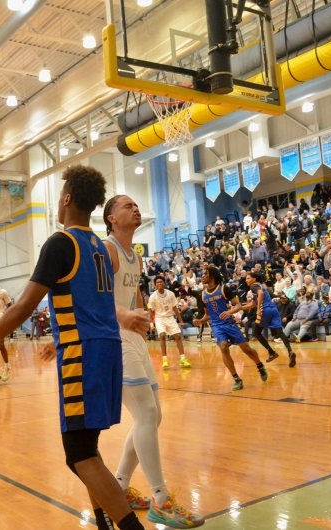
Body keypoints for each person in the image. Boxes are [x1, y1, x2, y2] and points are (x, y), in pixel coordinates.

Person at [0, 166, 144, 530]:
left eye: (60, 196)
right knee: (87, 447)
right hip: (104, 350)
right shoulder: (101, 249)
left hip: (83, 355)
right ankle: (103, 522)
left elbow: (23, 306)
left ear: (67, 199)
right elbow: (94, 306)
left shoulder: (61, 242)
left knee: (79, 455)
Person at [102, 194, 202, 528]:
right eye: (126, 205)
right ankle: (161, 499)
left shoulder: (136, 256)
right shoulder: (108, 248)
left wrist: (141, 316)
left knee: (153, 416)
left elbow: (133, 295)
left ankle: (119, 487)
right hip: (114, 336)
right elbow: (94, 298)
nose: (134, 208)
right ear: (112, 218)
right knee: (145, 413)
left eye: (135, 204)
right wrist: (124, 317)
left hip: (133, 335)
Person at [194, 266, 268, 390]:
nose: (202, 276)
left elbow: (238, 306)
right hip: (217, 326)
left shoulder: (224, 288)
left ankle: (260, 366)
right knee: (223, 347)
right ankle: (236, 379)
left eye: (205, 274)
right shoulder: (202, 295)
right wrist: (200, 320)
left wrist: (230, 312)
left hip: (230, 323)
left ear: (211, 275)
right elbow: (208, 315)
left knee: (246, 349)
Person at [243, 272, 296, 366]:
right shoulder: (261, 285)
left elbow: (260, 294)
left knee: (256, 332)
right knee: (280, 332)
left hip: (265, 310)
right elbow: (252, 304)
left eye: (248, 278)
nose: (246, 280)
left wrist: (259, 309)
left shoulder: (253, 286)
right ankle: (290, 352)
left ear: (254, 279)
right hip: (274, 310)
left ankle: (271, 352)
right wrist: (240, 308)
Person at [147, 277, 191, 370]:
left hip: (170, 317)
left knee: (178, 336)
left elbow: (175, 309)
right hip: (159, 318)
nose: (159, 283)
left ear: (164, 283)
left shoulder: (170, 294)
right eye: (158, 282)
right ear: (155, 285)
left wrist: (181, 321)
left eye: (161, 282)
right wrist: (151, 324)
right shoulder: (152, 297)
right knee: (162, 336)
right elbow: (151, 312)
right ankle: (165, 360)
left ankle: (183, 359)